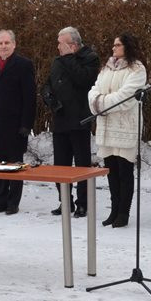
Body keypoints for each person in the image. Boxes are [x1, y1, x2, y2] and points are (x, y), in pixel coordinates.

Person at [87, 33, 148, 228]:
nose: (113, 48)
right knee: (111, 172)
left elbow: (126, 96)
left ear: (127, 47)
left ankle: (124, 213)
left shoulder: (137, 69)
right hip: (106, 127)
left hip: (125, 127)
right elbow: (94, 90)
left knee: (124, 171)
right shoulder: (107, 67)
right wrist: (97, 101)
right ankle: (114, 210)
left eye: (118, 45)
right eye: (113, 45)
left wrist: (101, 104)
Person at [41, 26, 99, 217]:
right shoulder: (58, 60)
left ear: (72, 45)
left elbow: (84, 79)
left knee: (82, 165)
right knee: (61, 165)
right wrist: (48, 95)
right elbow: (48, 82)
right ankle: (65, 201)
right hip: (60, 120)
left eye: (60, 43)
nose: (57, 47)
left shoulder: (90, 58)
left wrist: (68, 58)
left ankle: (83, 202)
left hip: (79, 120)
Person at [0, 29, 36, 215]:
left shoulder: (24, 64)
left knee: (14, 164)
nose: (3, 46)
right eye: (0, 43)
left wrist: (26, 125)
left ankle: (13, 202)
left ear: (14, 44)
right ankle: (0, 201)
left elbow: (29, 98)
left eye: (7, 43)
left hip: (15, 124)